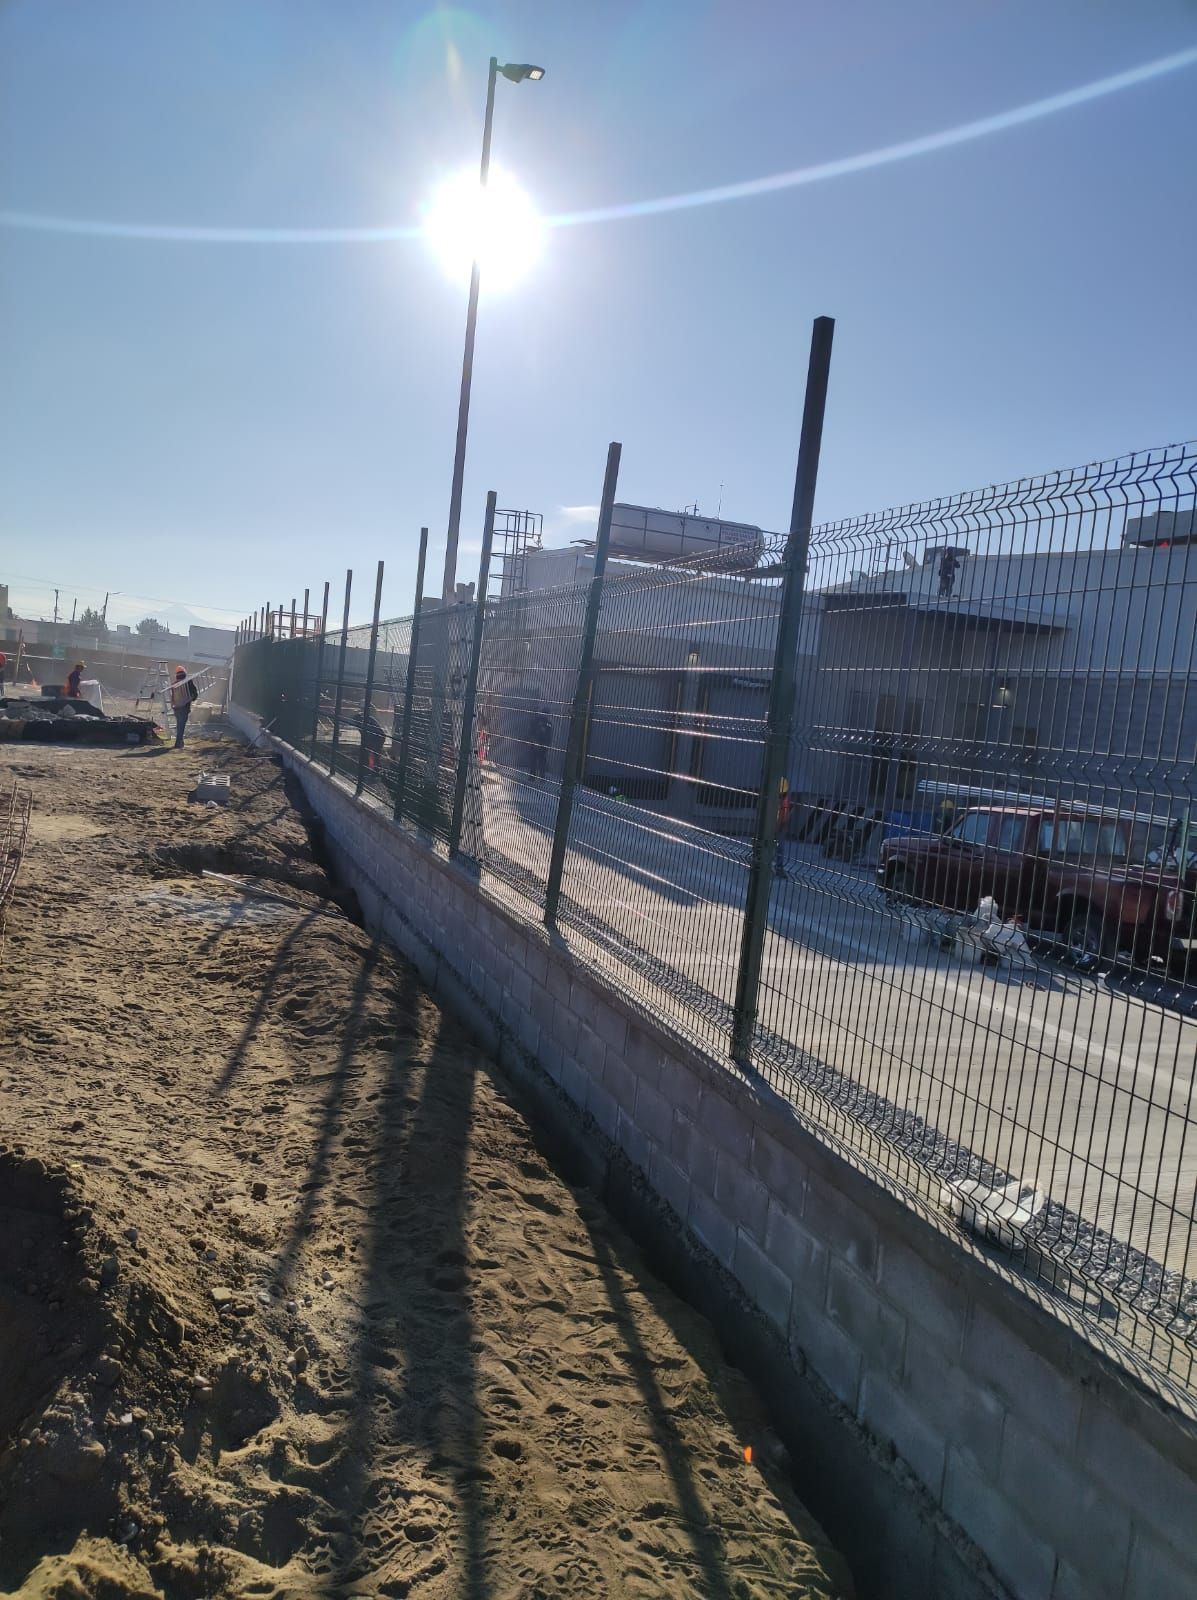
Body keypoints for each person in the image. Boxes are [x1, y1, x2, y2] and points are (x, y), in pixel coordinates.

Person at [169, 665, 192, 749]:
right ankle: (178, 743)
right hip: (184, 707)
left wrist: (172, 704)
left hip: (176, 707)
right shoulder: (187, 683)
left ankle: (180, 742)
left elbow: (172, 696)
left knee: (179, 725)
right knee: (181, 726)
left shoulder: (174, 684)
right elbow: (193, 694)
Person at [528, 704, 552, 780]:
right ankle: (536, 776)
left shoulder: (546, 723)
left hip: (541, 744)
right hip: (538, 743)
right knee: (537, 760)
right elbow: (532, 731)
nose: (547, 716)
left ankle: (538, 776)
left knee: (538, 760)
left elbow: (549, 734)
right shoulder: (538, 721)